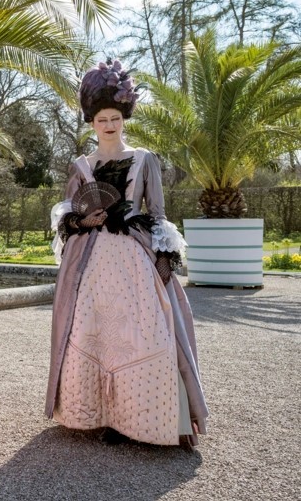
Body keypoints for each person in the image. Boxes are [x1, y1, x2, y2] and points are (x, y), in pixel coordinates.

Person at [46, 60, 208, 450]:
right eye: (102, 118)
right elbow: (67, 213)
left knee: (145, 331)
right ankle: (96, 413)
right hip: (91, 261)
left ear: (124, 118)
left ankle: (145, 418)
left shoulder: (144, 159)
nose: (109, 124)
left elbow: (158, 214)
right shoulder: (81, 165)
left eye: (115, 117)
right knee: (89, 330)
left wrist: (166, 256)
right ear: (91, 122)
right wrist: (83, 221)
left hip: (134, 258)